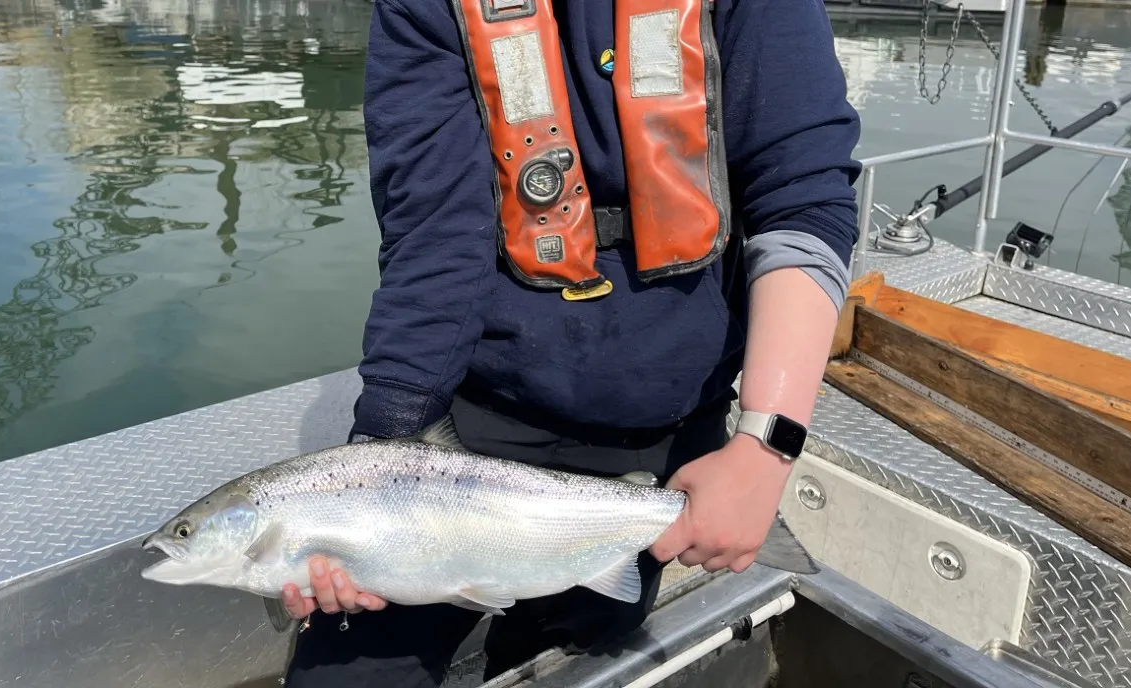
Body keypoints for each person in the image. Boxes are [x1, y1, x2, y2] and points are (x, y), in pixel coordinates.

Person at [280, 0, 860, 684]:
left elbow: (803, 201)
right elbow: (432, 236)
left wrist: (766, 446)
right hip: (476, 421)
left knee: (571, 655)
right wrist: (379, 452)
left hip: (660, 433)